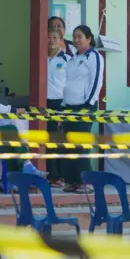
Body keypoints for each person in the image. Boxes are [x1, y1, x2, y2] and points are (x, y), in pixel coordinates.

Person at [61, 25, 104, 193]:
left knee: (81, 145)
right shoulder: (71, 60)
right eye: (75, 37)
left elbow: (96, 82)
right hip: (68, 107)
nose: (76, 40)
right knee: (68, 145)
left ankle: (87, 182)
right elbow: (67, 84)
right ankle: (73, 181)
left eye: (80, 37)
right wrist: (64, 105)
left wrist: (88, 105)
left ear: (89, 39)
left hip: (84, 107)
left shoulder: (95, 57)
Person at [46, 28, 70, 187]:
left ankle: (60, 176)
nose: (51, 40)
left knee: (59, 141)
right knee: (47, 141)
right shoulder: (41, 58)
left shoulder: (68, 60)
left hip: (60, 103)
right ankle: (50, 175)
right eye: (48, 37)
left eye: (55, 37)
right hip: (44, 103)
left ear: (61, 40)